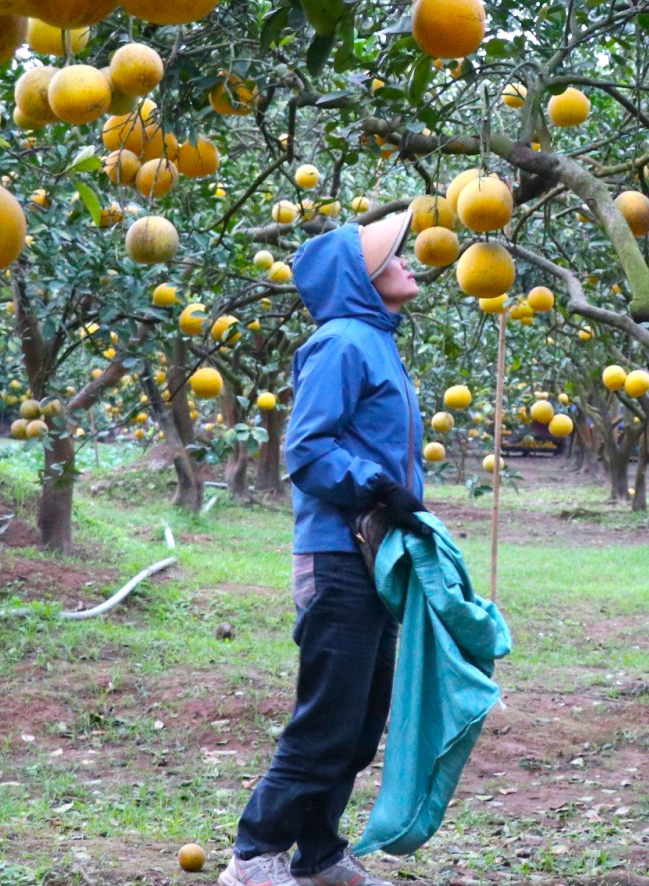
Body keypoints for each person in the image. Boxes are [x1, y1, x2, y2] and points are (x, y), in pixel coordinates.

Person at [222, 209, 432, 886]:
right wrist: (376, 486)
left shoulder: (375, 341)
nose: (407, 262)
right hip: (339, 555)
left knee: (361, 718)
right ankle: (254, 852)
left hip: (373, 556)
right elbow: (307, 449)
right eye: (391, 257)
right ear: (361, 280)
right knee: (328, 716)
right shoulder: (342, 341)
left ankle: (317, 852)